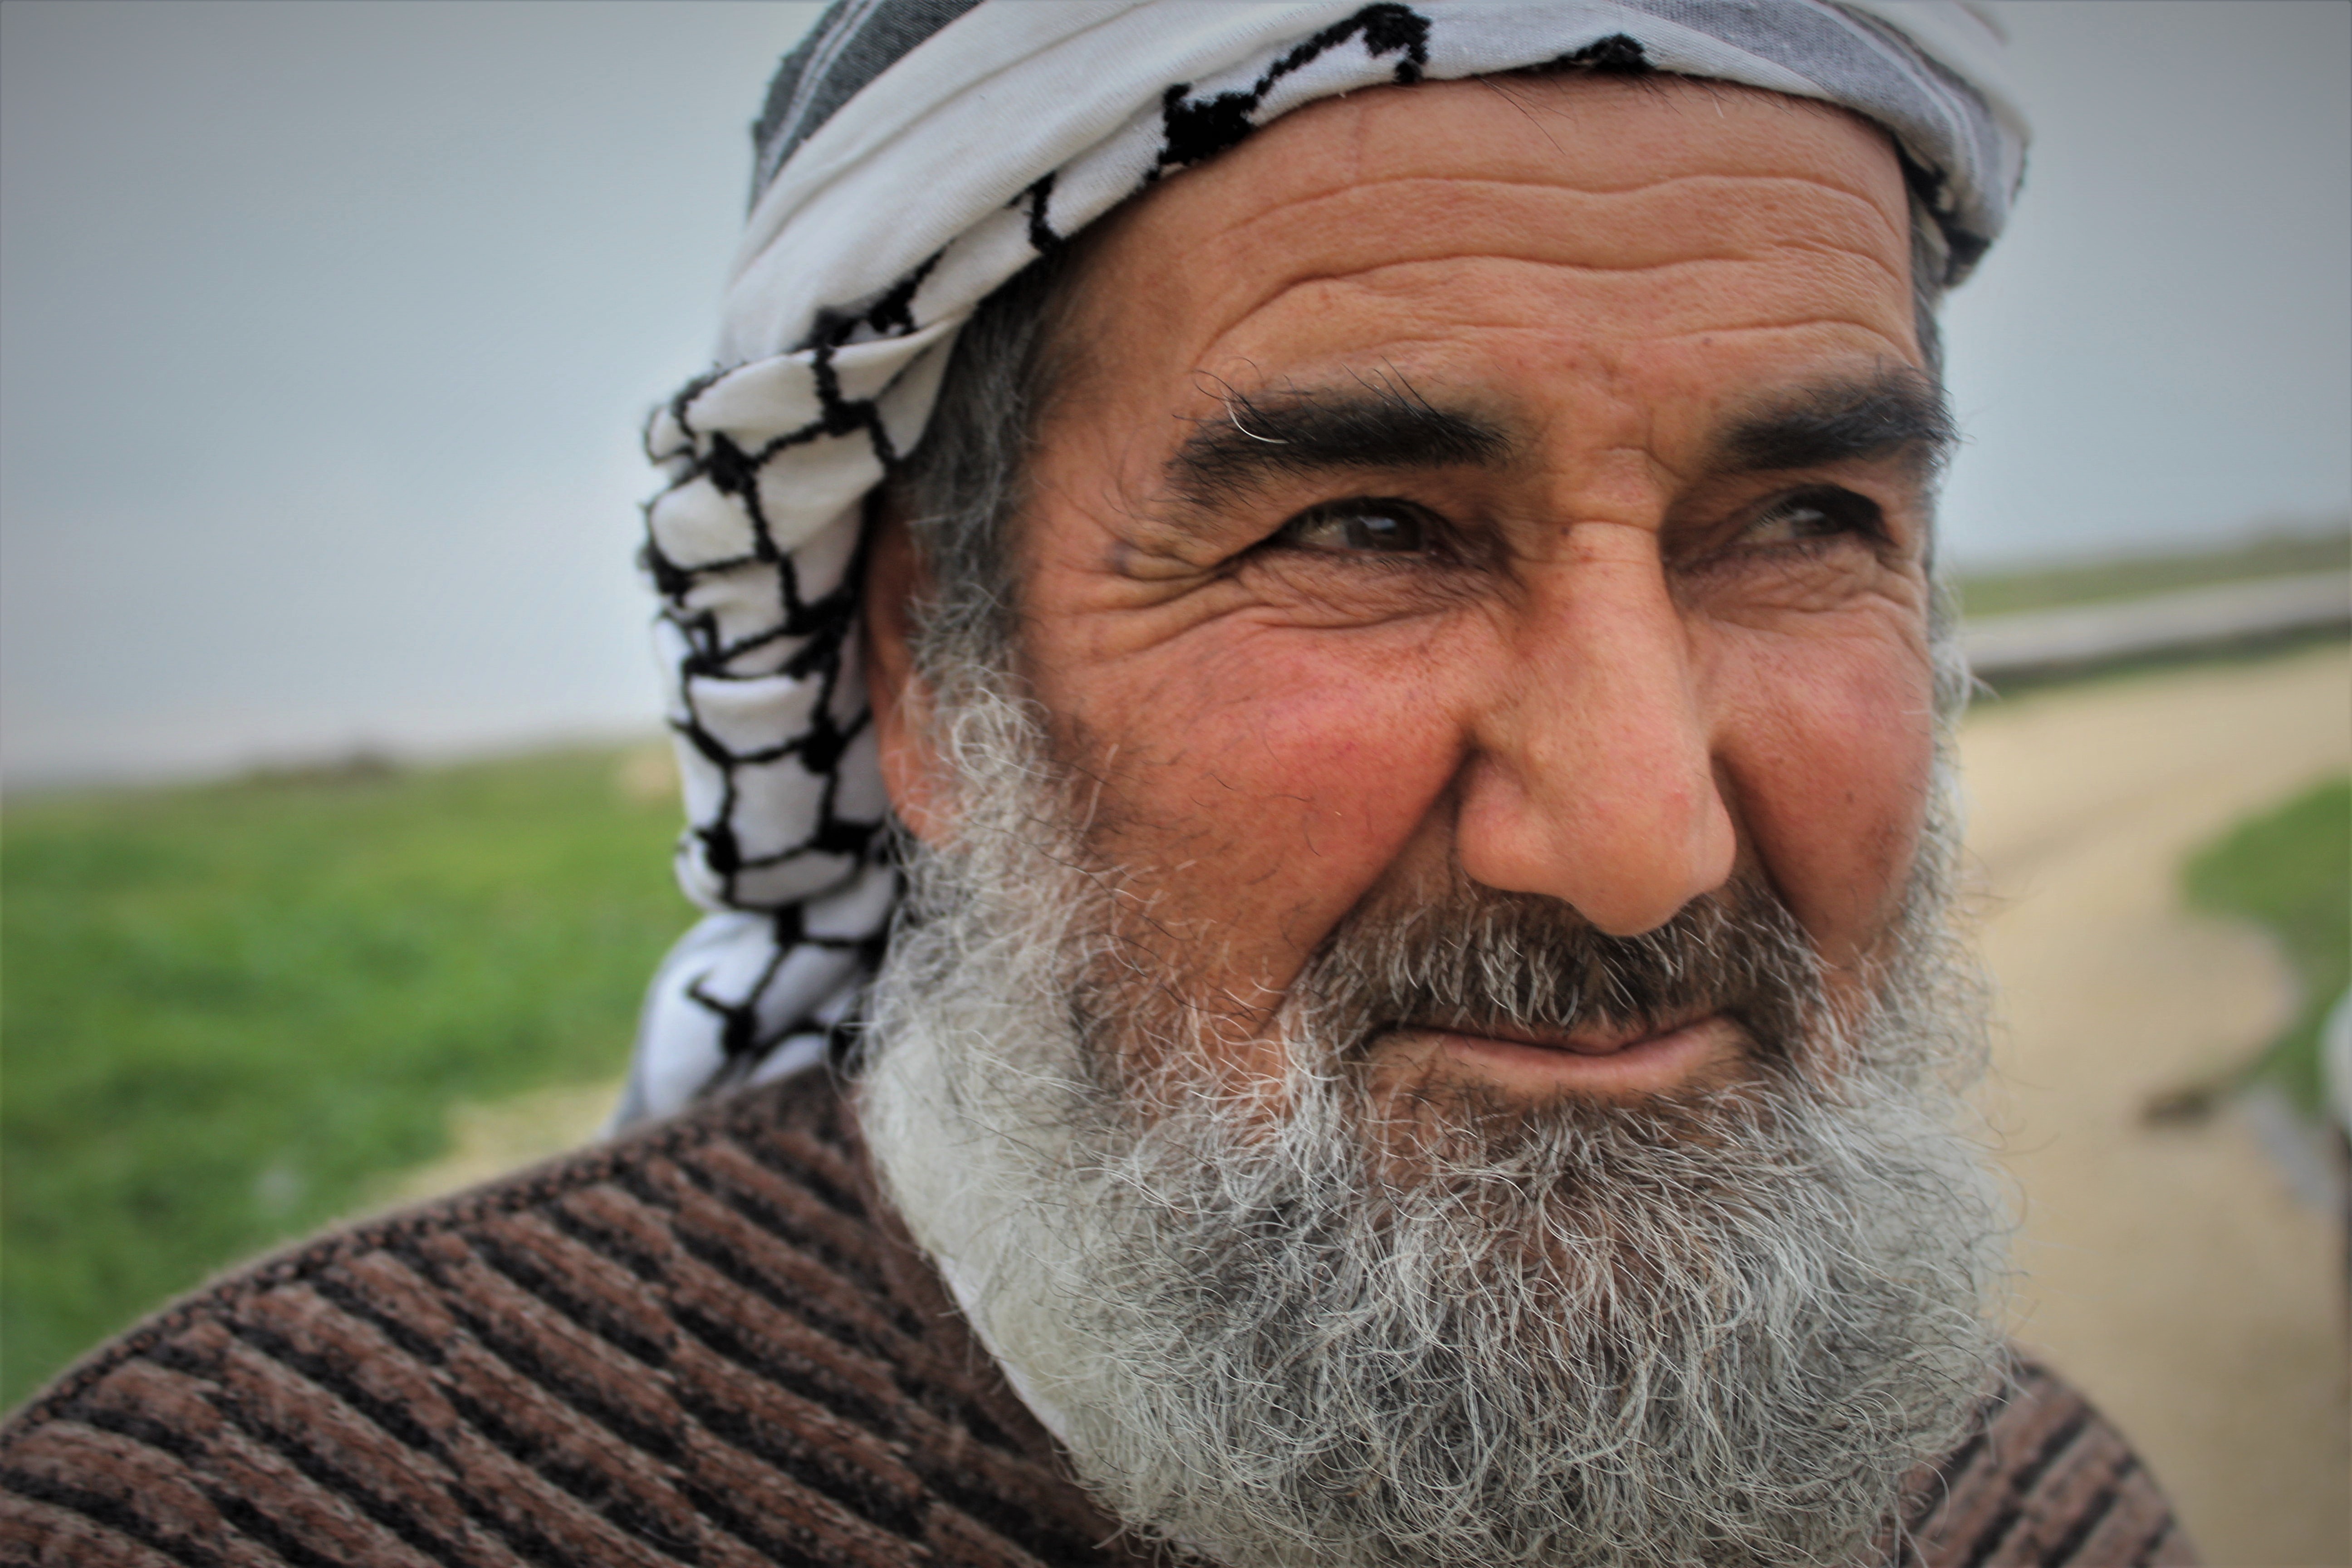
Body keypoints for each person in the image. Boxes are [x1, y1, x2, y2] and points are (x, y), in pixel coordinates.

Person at [0, 5, 2194, 1565]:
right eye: (1366, 531)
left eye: (1804, 519)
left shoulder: (2038, 1523)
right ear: (929, 675)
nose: (1639, 844)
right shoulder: (270, 1520)